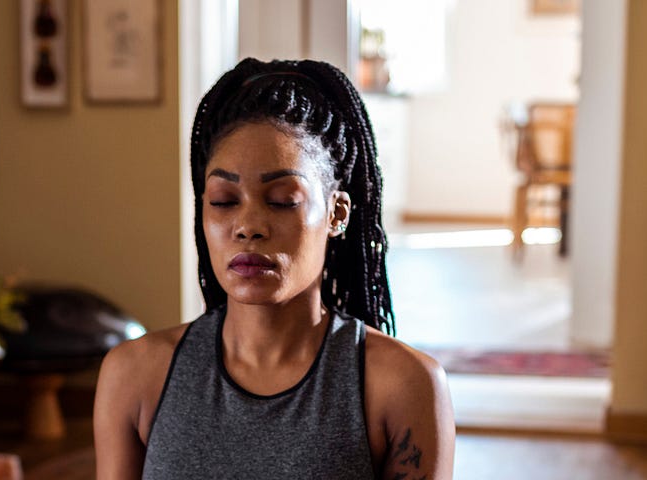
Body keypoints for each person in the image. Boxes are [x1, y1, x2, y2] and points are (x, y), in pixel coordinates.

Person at [94, 58, 454, 479]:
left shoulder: (402, 386)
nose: (247, 226)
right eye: (224, 201)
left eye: (283, 200)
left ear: (337, 213)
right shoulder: (134, 376)